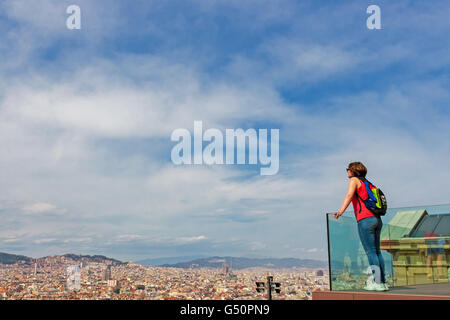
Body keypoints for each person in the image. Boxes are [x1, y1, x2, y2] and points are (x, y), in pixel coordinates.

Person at [334, 161, 388, 291]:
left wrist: (340, 212)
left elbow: (349, 195)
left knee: (370, 252)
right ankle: (383, 282)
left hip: (365, 220)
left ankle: (378, 283)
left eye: (348, 169)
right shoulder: (368, 183)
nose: (347, 171)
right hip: (377, 219)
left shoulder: (354, 180)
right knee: (377, 251)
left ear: (352, 171)